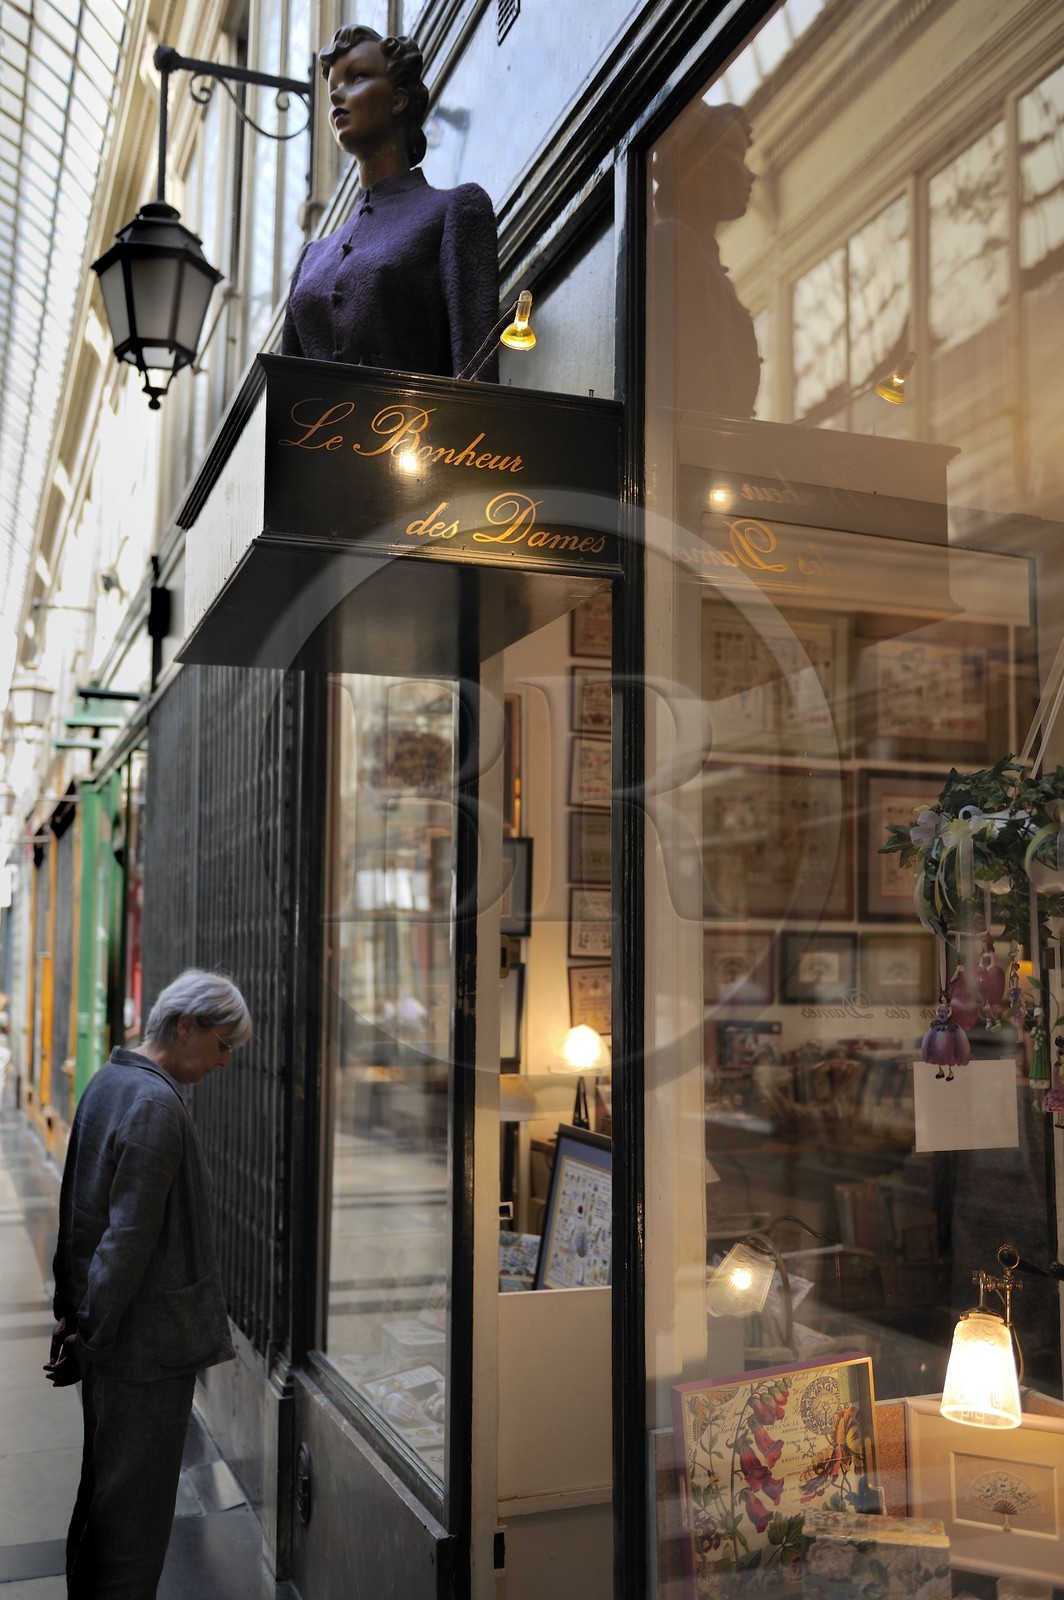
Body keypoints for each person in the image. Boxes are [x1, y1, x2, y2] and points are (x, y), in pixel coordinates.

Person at [47, 969, 251, 1599]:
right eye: (222, 1044)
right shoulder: (156, 1106)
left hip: (109, 1338)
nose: (223, 1061)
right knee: (132, 1528)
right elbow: (125, 1242)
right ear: (185, 1025)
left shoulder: (109, 1081)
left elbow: (78, 1212)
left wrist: (74, 1315)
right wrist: (91, 1336)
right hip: (143, 1351)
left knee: (104, 1501)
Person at [281, 24, 500, 379]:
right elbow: (285, 390)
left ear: (398, 99)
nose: (336, 96)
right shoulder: (311, 259)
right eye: (333, 87)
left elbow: (477, 374)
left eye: (357, 77)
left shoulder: (452, 212)